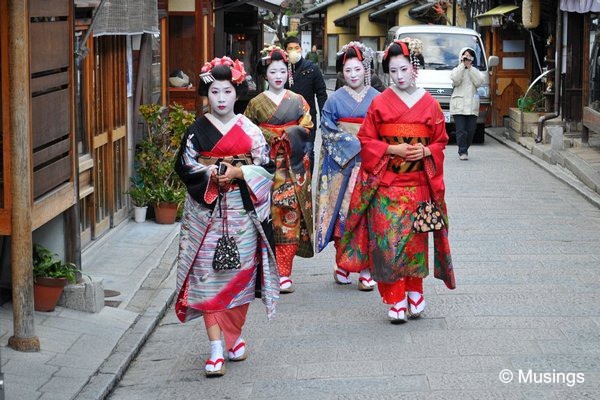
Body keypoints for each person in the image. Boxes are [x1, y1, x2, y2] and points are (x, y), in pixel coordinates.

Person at [173, 56, 279, 377]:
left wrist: (239, 171)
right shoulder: (196, 131)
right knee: (208, 280)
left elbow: (267, 168)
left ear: (237, 94)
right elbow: (185, 166)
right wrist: (209, 174)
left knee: (240, 276)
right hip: (207, 215)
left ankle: (233, 336)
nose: (221, 99)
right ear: (207, 96)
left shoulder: (251, 130)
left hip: (241, 214)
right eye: (215, 93)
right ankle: (216, 348)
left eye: (227, 92)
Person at [338, 39, 455, 324]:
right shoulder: (380, 102)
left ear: (414, 68)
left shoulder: (429, 103)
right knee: (387, 243)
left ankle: (415, 291)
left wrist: (427, 150)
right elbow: (366, 140)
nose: (399, 76)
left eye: (404, 69)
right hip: (387, 186)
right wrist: (392, 149)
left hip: (417, 186)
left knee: (415, 242)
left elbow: (441, 141)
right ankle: (395, 298)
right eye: (393, 71)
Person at [244, 46, 314, 294]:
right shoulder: (255, 103)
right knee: (265, 217)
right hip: (266, 166)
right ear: (265, 74)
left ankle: (285, 272)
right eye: (272, 71)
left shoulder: (297, 101)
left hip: (291, 166)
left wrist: (287, 135)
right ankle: (265, 270)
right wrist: (269, 135)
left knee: (289, 218)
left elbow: (307, 126)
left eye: (282, 71)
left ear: (288, 73)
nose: (277, 76)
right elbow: (247, 131)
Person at [316, 42, 380, 291]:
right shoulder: (334, 100)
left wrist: (370, 147)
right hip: (342, 167)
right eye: (348, 70)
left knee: (366, 217)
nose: (353, 75)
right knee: (341, 216)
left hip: (369, 164)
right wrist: (356, 144)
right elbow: (328, 129)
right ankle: (342, 263)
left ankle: (366, 268)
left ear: (366, 69)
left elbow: (382, 131)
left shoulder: (377, 98)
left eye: (357, 69)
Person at [284, 36, 328, 172]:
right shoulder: (282, 69)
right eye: (290, 49)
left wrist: (324, 117)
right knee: (287, 152)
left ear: (301, 49)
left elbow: (321, 94)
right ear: (285, 51)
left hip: (308, 119)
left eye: (296, 48)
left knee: (308, 152)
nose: (293, 51)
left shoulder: (312, 68)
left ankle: (307, 187)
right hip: (286, 119)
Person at [450, 47, 483, 160]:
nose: (467, 58)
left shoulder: (475, 71)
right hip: (458, 104)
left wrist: (469, 68)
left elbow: (478, 82)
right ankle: (462, 151)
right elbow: (455, 79)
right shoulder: (457, 69)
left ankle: (465, 147)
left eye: (469, 56)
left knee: (471, 130)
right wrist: (462, 66)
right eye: (465, 56)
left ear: (473, 58)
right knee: (461, 131)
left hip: (472, 106)